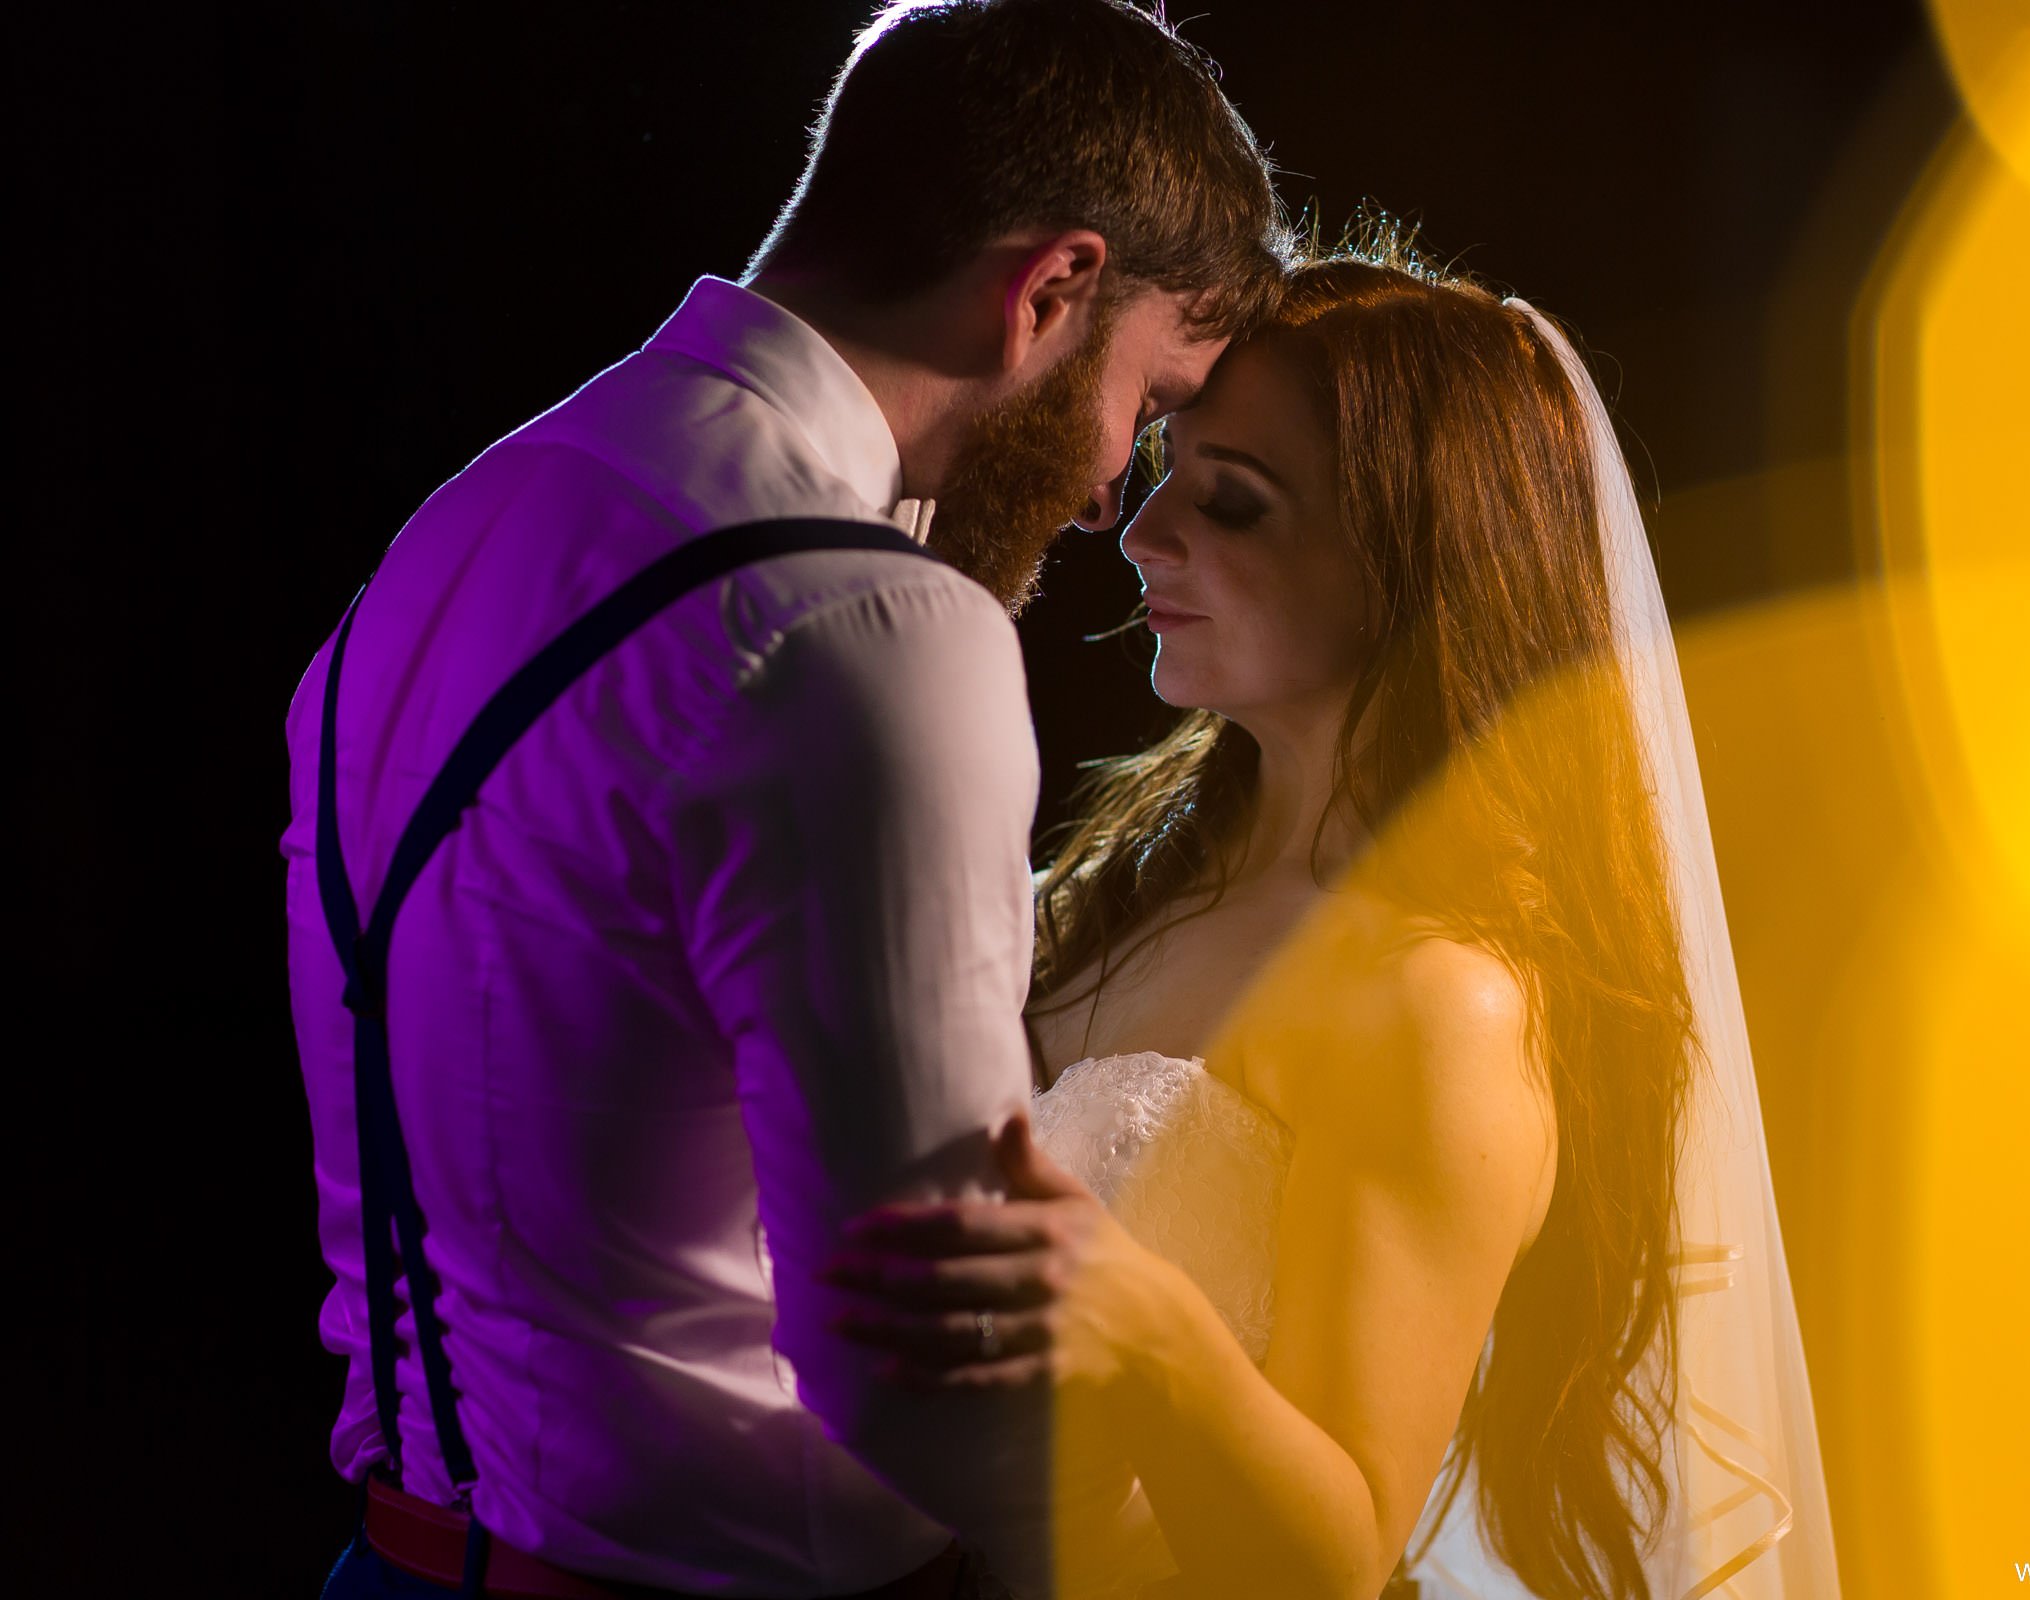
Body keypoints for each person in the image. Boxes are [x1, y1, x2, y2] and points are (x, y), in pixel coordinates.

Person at [284, 2, 1286, 1596]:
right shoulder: (869, 629)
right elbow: (922, 1348)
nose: (1113, 492)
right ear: (1052, 289)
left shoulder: (467, 522)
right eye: (1147, 406)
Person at [820, 244, 1843, 1599]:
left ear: (1412, 567)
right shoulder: (1145, 867)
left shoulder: (1440, 999)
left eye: (1232, 504)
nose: (1141, 533)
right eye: (1169, 469)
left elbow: (1338, 1557)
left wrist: (1152, 1338)